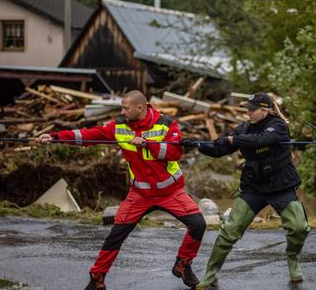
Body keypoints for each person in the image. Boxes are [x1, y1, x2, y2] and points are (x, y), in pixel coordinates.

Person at [37, 90, 206, 290]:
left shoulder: (166, 124)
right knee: (116, 234)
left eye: (126, 108)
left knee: (198, 224)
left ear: (139, 108)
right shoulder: (118, 126)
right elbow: (87, 135)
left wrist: (147, 144)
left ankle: (183, 266)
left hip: (170, 192)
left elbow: (175, 153)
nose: (122, 112)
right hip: (140, 194)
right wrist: (55, 137)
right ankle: (97, 278)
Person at [183, 92, 310, 290]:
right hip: (254, 187)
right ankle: (210, 274)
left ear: (264, 110)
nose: (248, 112)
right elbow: (219, 150)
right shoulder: (243, 128)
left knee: (299, 227)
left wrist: (233, 140)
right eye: (247, 108)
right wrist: (199, 145)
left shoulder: (279, 126)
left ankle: (292, 259)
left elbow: (260, 140)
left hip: (281, 187)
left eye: (252, 109)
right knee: (229, 232)